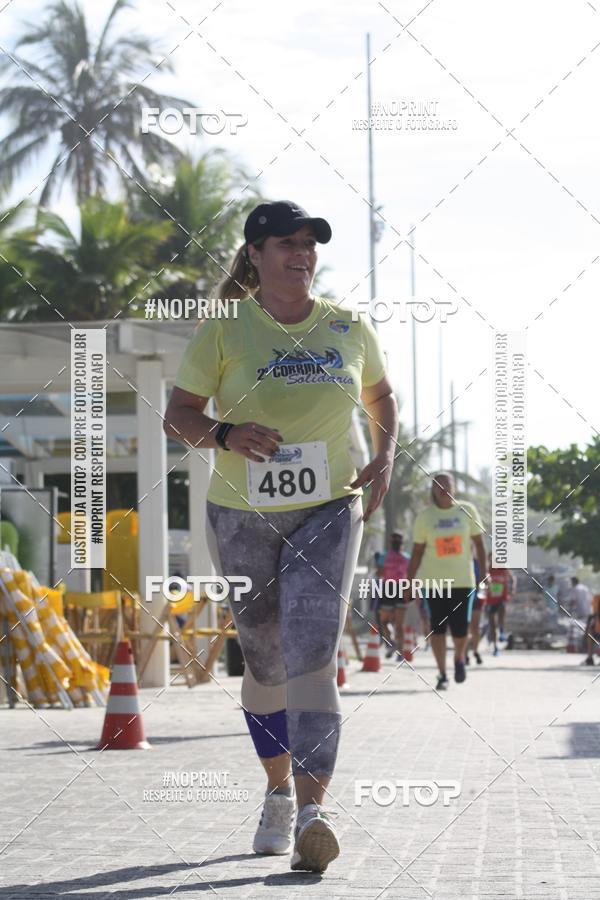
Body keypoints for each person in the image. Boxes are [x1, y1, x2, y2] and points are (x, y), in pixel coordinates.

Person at [164, 199, 398, 874]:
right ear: (256, 255)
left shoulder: (348, 327)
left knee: (311, 651)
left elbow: (382, 398)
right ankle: (276, 793)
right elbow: (178, 416)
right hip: (238, 514)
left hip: (329, 508)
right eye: (287, 243)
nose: (302, 253)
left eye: (310, 243)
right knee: (264, 660)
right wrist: (227, 434)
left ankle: (315, 811)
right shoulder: (225, 329)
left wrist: (383, 456)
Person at [404, 472, 486, 690]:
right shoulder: (425, 517)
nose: (444, 489)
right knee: (437, 629)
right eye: (439, 486)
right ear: (433, 490)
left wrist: (483, 575)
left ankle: (459, 658)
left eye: (448, 485)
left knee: (461, 629)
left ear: (455, 488)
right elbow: (417, 552)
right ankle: (442, 673)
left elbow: (479, 544)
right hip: (433, 582)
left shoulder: (467, 511)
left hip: (463, 581)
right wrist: (409, 582)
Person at [377, 531, 409, 658]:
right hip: (402, 588)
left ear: (390, 543)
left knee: (384, 621)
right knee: (399, 625)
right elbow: (411, 575)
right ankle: (400, 652)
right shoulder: (407, 557)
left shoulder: (383, 557)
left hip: (388, 589)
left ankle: (392, 643)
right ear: (403, 543)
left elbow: (380, 574)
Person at [486, 556, 516, 649]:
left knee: (502, 611)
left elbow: (513, 577)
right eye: (491, 560)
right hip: (490, 599)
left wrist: (513, 588)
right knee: (492, 625)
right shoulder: (488, 569)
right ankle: (495, 646)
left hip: (501, 597)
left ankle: (502, 631)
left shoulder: (503, 567)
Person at [466, 558, 484, 665]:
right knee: (465, 627)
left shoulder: (478, 562)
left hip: (477, 597)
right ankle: (464, 654)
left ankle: (476, 651)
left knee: (475, 628)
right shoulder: (460, 561)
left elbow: (485, 578)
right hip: (462, 597)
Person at [582, 592, 600, 666]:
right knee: (590, 633)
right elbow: (593, 614)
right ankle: (589, 658)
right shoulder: (597, 598)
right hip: (597, 630)